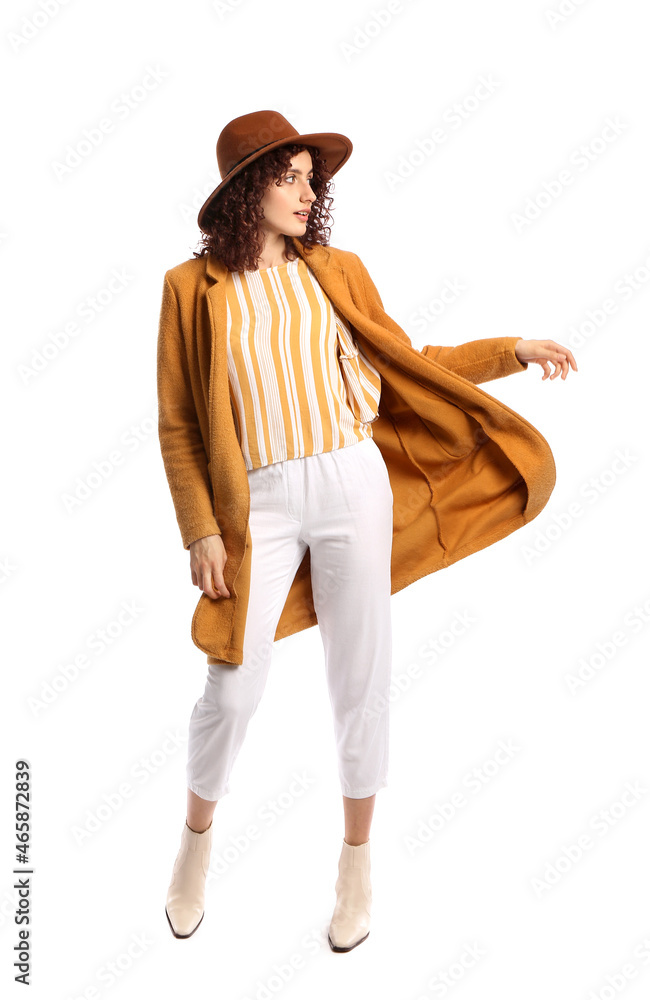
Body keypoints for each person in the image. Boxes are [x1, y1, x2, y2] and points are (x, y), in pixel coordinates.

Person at [158, 110, 577, 950]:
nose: (310, 193)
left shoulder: (336, 270)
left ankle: (356, 869)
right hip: (259, 504)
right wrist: (201, 529)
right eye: (292, 177)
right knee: (233, 688)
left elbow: (408, 358)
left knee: (362, 683)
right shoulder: (189, 288)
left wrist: (510, 349)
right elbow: (179, 425)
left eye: (315, 179)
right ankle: (194, 849)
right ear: (248, 189)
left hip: (355, 483)